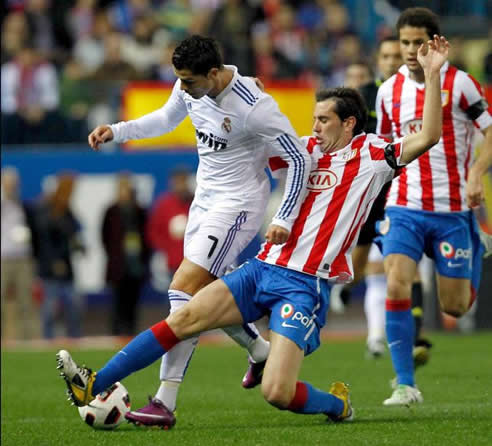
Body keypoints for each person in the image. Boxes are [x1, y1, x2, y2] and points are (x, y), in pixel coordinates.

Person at [58, 34, 449, 425]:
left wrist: (432, 76)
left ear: (348, 123)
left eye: (323, 120)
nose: (314, 127)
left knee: (277, 392)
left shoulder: (374, 156)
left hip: (304, 282)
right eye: (312, 118)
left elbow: (429, 136)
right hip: (264, 267)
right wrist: (244, 92)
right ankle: (95, 382)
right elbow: (254, 140)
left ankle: (337, 404)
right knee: (183, 314)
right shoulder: (304, 146)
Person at [86, 35, 310, 428]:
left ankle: (165, 401)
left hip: (238, 205)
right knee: (207, 296)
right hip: (204, 201)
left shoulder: (255, 106)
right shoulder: (190, 84)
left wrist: (284, 217)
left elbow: (299, 158)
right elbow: (166, 118)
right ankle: (259, 352)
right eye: (180, 81)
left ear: (213, 72)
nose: (183, 87)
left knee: (183, 292)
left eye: (189, 81)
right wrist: (117, 131)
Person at [376, 8, 492, 406]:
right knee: (396, 283)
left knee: (456, 308)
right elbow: (383, 151)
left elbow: (489, 132)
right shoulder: (387, 91)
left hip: (452, 209)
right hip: (404, 206)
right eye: (404, 42)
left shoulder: (460, 84)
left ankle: (476, 242)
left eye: (418, 42)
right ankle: (405, 383)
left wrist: (477, 171)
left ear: (435, 42)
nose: (410, 50)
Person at [32, 173, 85, 339]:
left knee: (74, 306)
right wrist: (54, 261)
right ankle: (47, 340)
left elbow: (74, 231)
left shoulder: (67, 210)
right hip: (50, 267)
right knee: (49, 308)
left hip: (66, 266)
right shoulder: (48, 209)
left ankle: (74, 338)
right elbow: (44, 240)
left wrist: (79, 246)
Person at [101, 173, 150, 336]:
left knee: (133, 301)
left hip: (135, 263)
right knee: (117, 301)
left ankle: (130, 332)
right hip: (118, 264)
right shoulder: (111, 211)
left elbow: (146, 236)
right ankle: (116, 333)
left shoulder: (139, 211)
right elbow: (104, 236)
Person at [1, 167, 39, 340]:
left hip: (23, 259)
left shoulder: (22, 205)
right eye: (8, 184)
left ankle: (29, 340)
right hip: (3, 259)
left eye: (14, 184)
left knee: (26, 301)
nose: (11, 187)